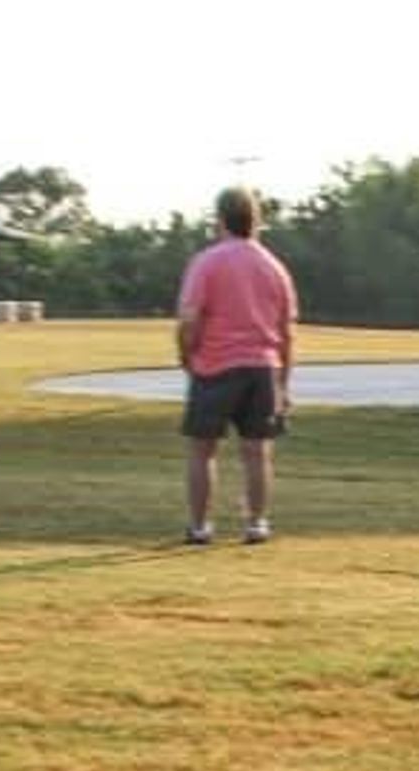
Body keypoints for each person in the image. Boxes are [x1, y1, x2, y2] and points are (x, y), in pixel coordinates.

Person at [175, 185, 297, 545]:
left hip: (215, 365)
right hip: (262, 367)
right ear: (256, 221)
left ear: (220, 219)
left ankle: (200, 526)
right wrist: (283, 383)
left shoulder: (208, 262)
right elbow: (286, 332)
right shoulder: (274, 268)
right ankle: (257, 522)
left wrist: (186, 354)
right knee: (257, 451)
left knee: (202, 449)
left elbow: (189, 318)